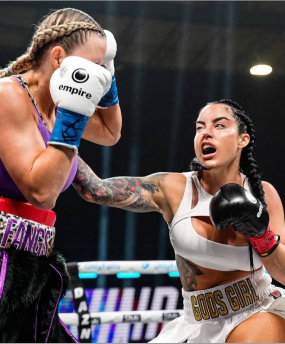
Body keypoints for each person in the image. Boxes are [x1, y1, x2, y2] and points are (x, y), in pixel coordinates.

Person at [72, 99, 285, 343]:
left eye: (219, 126)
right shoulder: (173, 188)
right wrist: (59, 136)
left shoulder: (262, 193)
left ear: (242, 140)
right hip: (195, 321)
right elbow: (95, 190)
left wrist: (261, 236)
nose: (206, 133)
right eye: (199, 127)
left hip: (256, 310)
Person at [0, 7, 122, 343]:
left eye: (103, 67)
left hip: (33, 267)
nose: (98, 76)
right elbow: (42, 191)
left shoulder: (53, 107)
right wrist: (74, 114)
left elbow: (111, 132)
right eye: (93, 66)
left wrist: (108, 76)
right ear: (58, 57)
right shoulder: (8, 96)